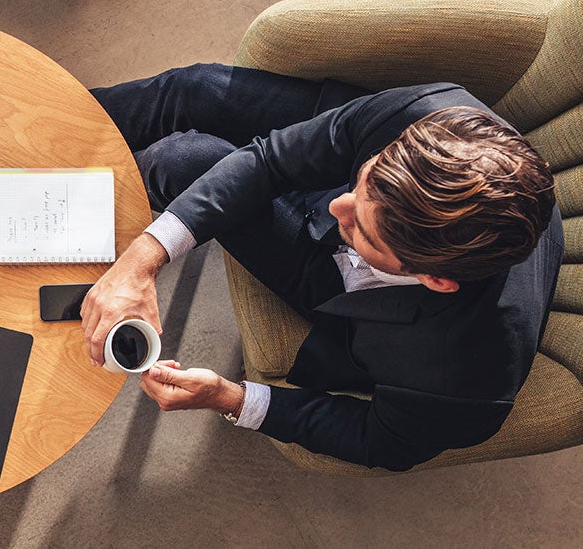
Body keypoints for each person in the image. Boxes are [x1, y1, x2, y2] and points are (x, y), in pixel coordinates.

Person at [83, 63, 563, 472]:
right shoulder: (431, 118)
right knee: (194, 89)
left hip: (342, 295)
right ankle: (45, 133)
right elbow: (273, 162)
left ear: (435, 280)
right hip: (385, 184)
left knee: (182, 160)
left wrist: (230, 398)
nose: (338, 207)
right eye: (363, 180)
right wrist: (140, 263)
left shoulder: (468, 378)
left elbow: (380, 442)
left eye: (362, 230)